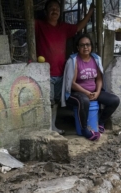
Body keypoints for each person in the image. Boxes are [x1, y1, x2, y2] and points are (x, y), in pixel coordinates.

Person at [35, 0, 95, 134]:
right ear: (45, 12)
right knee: (47, 102)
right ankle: (46, 128)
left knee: (55, 101)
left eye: (57, 8)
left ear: (60, 12)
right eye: (51, 8)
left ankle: (53, 126)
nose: (54, 11)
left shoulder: (64, 28)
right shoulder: (39, 25)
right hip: (44, 73)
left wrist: (90, 12)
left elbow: (79, 27)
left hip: (60, 73)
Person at [62, 34, 120, 141]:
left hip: (93, 92)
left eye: (88, 44)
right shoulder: (74, 61)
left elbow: (98, 79)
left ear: (91, 46)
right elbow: (72, 83)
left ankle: (101, 121)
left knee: (114, 100)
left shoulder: (96, 59)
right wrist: (86, 93)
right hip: (76, 94)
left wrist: (97, 92)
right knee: (84, 100)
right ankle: (84, 130)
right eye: (82, 45)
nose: (85, 47)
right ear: (78, 47)